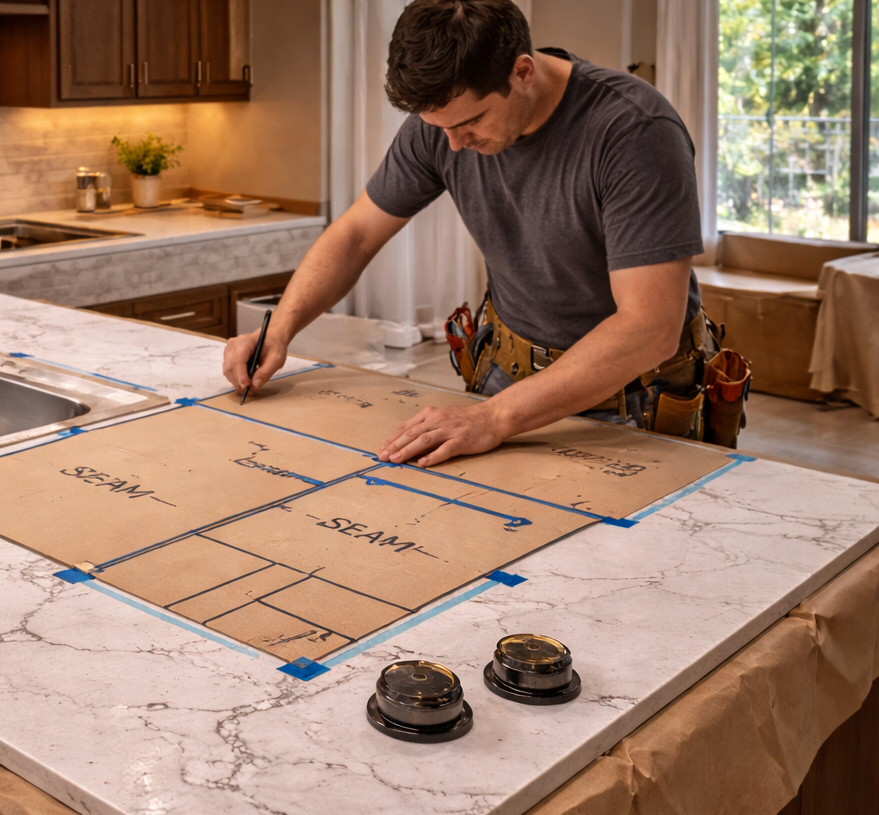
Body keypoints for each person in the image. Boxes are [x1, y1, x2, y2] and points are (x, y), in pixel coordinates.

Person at [221, 0, 747, 467]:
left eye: (469, 123)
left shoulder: (634, 131)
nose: (451, 145)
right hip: (508, 372)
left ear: (523, 72)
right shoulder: (443, 127)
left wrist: (493, 420)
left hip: (636, 393)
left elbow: (648, 326)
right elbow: (357, 233)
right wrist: (280, 331)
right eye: (438, 127)